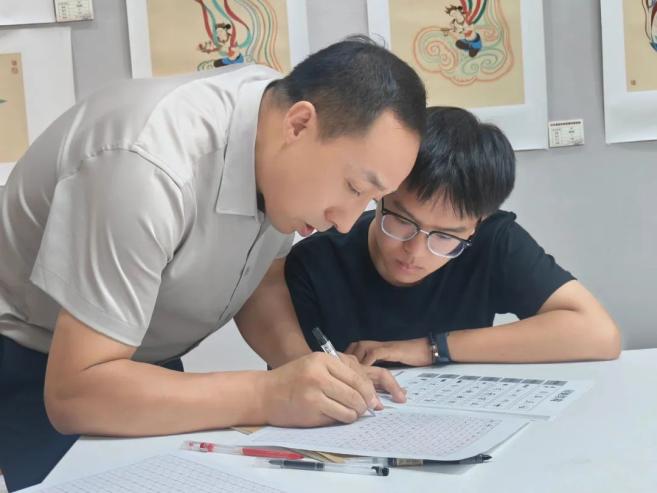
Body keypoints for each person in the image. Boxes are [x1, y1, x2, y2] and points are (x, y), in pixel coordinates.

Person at [0, 38, 425, 491]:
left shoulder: (274, 124)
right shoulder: (148, 169)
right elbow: (74, 394)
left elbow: (262, 279)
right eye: (353, 187)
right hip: (38, 360)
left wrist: (313, 373)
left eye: (370, 200)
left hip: (138, 366)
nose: (345, 222)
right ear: (299, 124)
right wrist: (268, 393)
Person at [285, 106, 621, 369]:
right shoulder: (316, 264)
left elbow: (598, 333)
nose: (415, 251)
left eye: (446, 237)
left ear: (476, 225)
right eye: (402, 221)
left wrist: (431, 348)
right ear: (380, 194)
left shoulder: (493, 241)